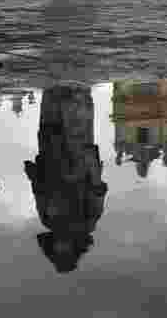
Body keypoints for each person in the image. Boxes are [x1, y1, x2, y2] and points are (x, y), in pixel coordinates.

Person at [25, 85, 108, 273]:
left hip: (50, 150)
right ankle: (78, 83)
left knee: (51, 96)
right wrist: (91, 163)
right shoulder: (87, 224)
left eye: (57, 250)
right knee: (77, 97)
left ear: (52, 248)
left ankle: (53, 83)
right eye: (65, 250)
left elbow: (39, 191)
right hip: (77, 154)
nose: (61, 245)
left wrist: (33, 174)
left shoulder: (47, 221)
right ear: (74, 248)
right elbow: (97, 189)